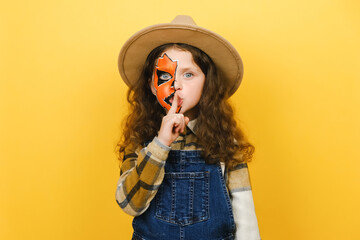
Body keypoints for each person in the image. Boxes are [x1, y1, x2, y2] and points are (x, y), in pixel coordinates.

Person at [115, 15, 261, 240]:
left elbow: (244, 212)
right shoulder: (140, 140)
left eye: (189, 74)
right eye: (165, 76)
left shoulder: (224, 141)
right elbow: (129, 204)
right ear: (152, 86)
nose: (176, 85)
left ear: (207, 83)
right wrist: (160, 144)